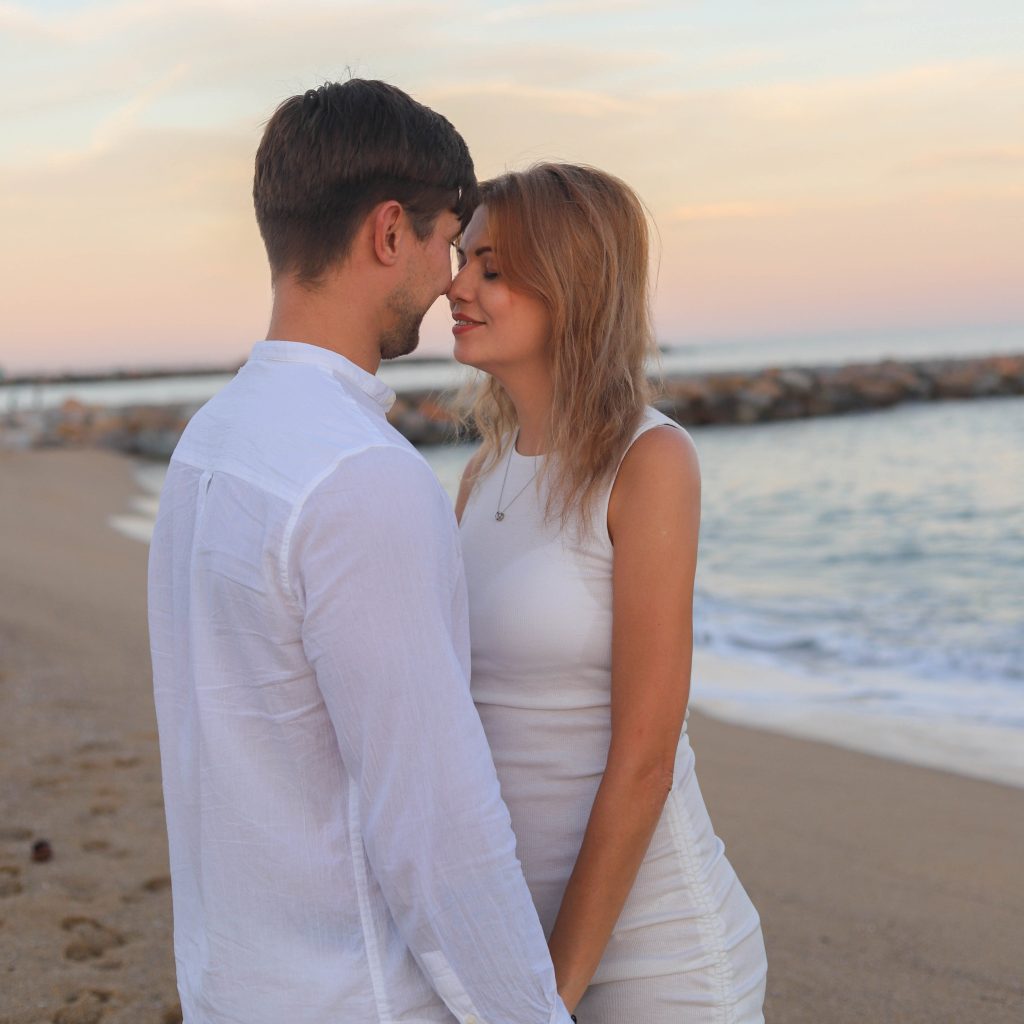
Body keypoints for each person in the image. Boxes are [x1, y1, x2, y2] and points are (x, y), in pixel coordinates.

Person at [148, 81, 575, 1024]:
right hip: (355, 996)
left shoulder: (209, 443)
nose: (451, 281)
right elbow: (437, 827)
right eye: (447, 243)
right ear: (389, 232)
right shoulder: (362, 477)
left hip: (231, 987)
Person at [449, 163, 768, 1023]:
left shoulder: (649, 461)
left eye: (491, 268)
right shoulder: (480, 475)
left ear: (572, 286)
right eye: (463, 259)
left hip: (657, 964)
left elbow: (646, 757)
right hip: (520, 952)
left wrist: (552, 992)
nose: (457, 287)